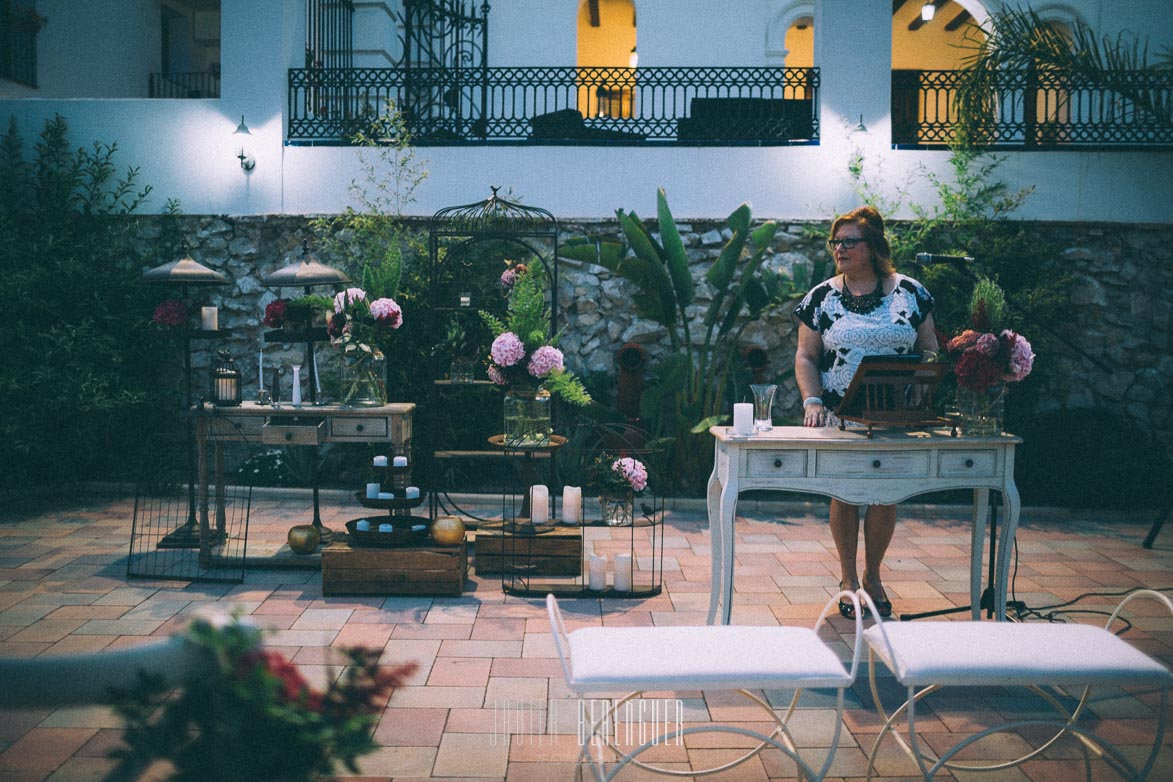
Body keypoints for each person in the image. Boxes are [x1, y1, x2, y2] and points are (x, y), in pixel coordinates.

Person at [793, 206, 939, 620]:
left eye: (849, 241)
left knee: (884, 495)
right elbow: (806, 356)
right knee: (845, 494)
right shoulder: (821, 297)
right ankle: (848, 580)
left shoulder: (910, 292)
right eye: (835, 242)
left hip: (894, 415)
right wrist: (813, 401)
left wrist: (921, 390)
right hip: (842, 415)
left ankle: (873, 576)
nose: (840, 249)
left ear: (873, 246)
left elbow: (930, 349)